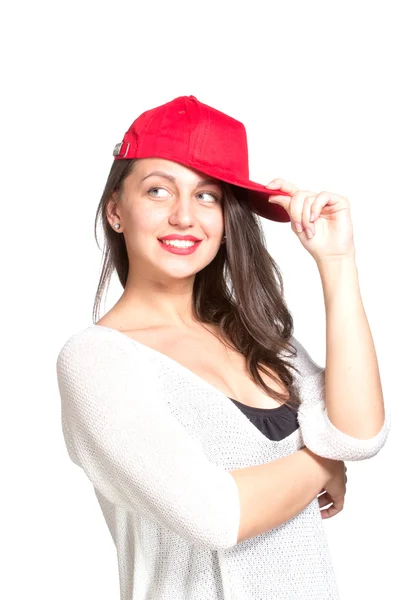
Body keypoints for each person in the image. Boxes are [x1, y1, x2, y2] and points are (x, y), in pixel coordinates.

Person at [56, 95, 391, 600]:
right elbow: (215, 513)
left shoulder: (253, 333)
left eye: (207, 196)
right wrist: (322, 461)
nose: (184, 217)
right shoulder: (97, 359)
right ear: (116, 211)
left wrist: (337, 262)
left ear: (227, 218)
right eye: (158, 191)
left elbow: (359, 434)